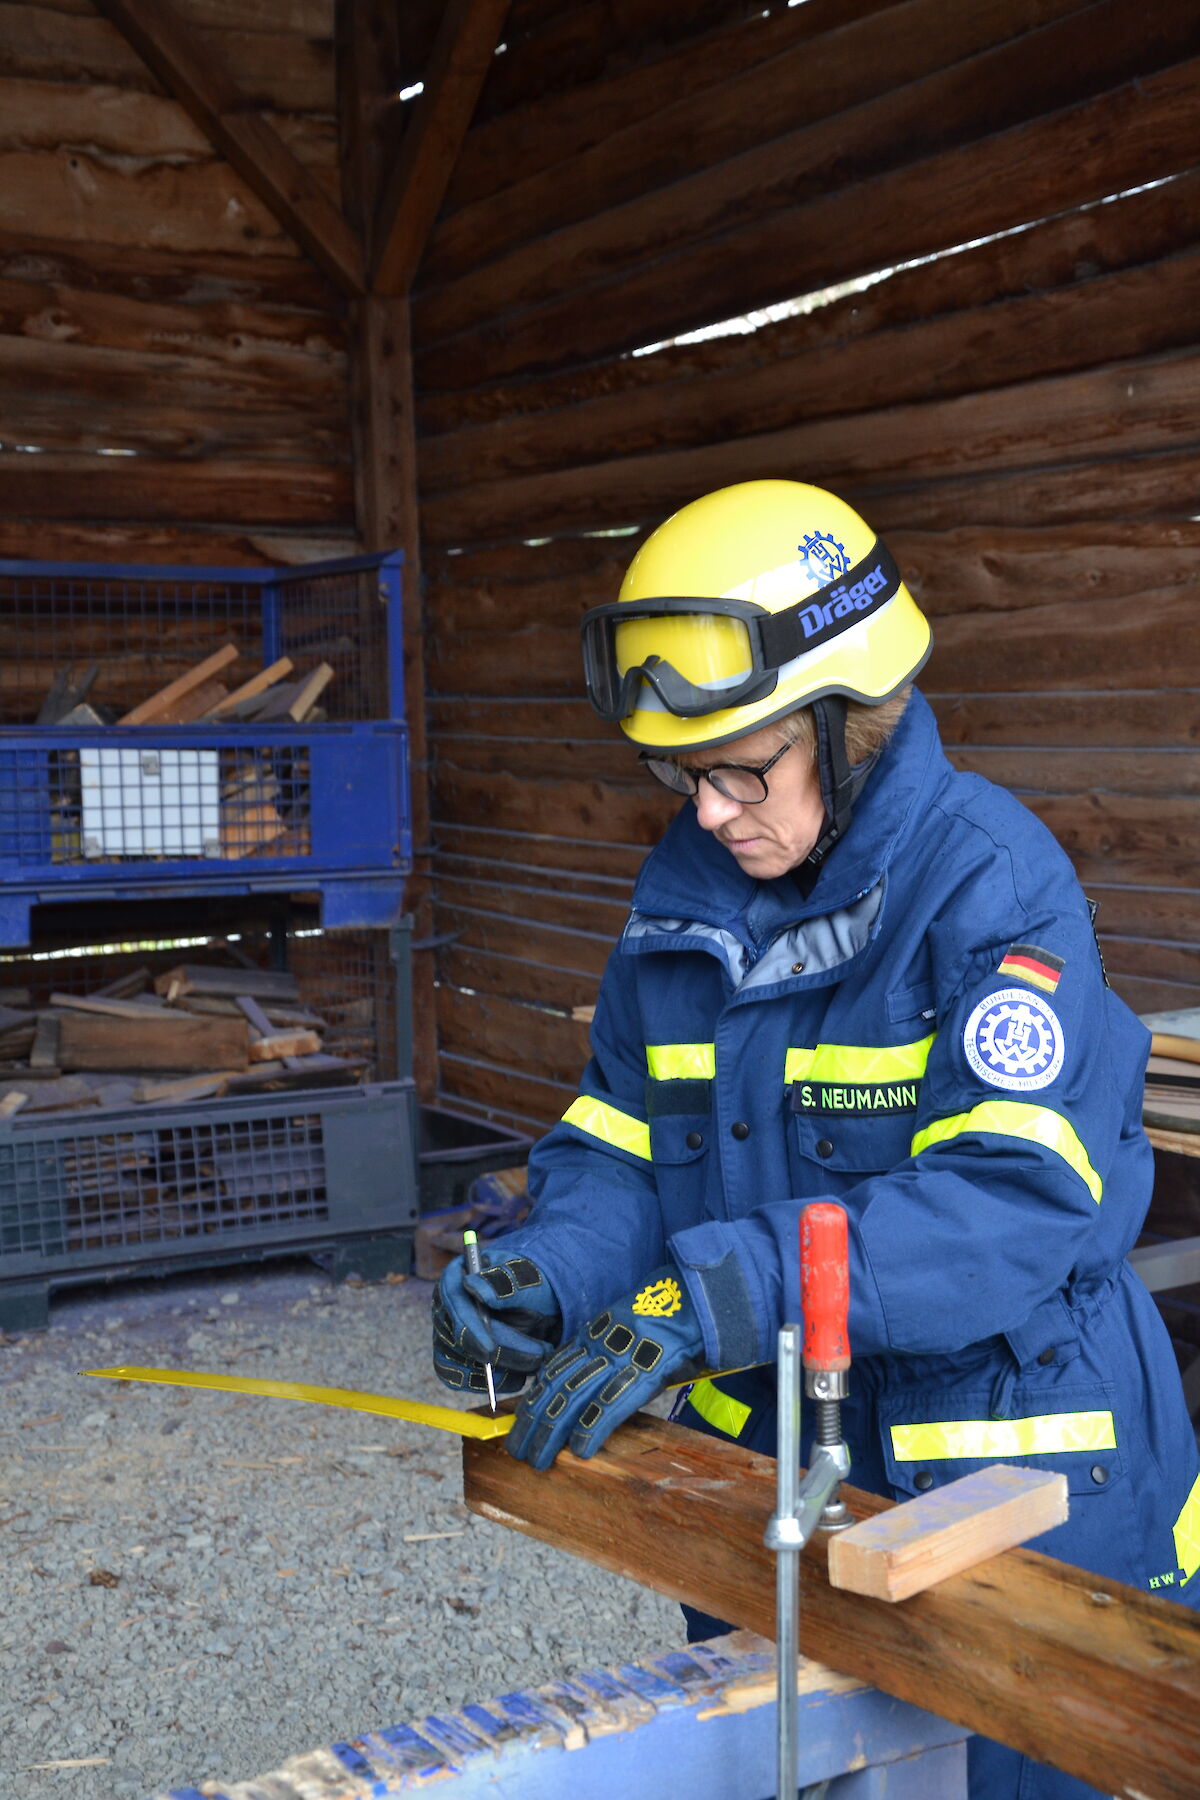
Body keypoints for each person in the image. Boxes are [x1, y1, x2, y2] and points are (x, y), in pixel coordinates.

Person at [431, 479, 1200, 1800]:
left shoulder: (989, 884)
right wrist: (553, 1270)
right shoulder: (681, 908)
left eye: (744, 767)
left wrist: (718, 1290)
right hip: (774, 1481)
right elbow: (623, 1140)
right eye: (683, 773)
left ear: (853, 721)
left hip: (1015, 1471)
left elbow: (1014, 1202)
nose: (711, 809)